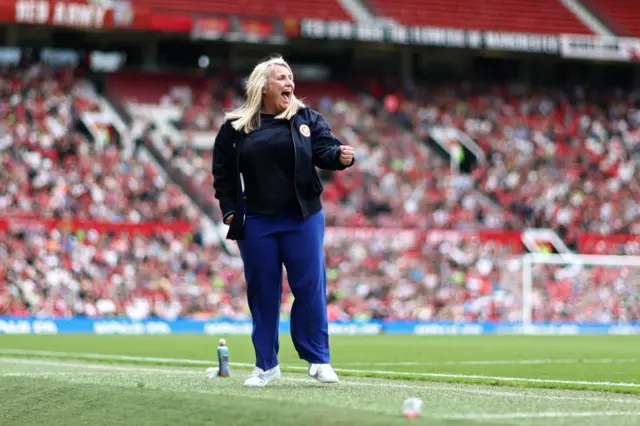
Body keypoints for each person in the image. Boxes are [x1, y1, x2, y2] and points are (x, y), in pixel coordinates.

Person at [212, 56, 355, 387]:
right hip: (256, 221)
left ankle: (319, 359)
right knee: (262, 293)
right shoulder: (235, 127)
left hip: (302, 218)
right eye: (281, 77)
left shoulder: (306, 118)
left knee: (309, 288)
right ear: (263, 86)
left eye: (291, 76)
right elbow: (222, 175)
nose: (289, 82)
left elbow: (325, 150)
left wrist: (339, 156)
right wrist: (230, 212)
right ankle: (266, 365)